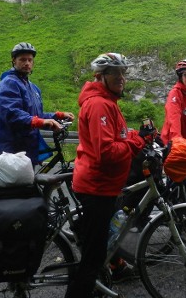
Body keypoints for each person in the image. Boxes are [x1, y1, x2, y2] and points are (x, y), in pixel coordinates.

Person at [65, 53, 155, 298]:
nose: (121, 78)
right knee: (93, 259)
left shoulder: (107, 101)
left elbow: (117, 136)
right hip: (96, 186)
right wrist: (137, 142)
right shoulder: (98, 105)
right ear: (100, 76)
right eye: (115, 73)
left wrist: (135, 134)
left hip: (103, 185)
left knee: (101, 241)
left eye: (123, 73)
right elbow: (106, 152)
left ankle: (107, 272)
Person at [0, 42, 74, 165]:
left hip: (27, 147)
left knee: (31, 183)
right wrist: (39, 121)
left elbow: (35, 115)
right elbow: (12, 114)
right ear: (14, 61)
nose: (27, 63)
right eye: (22, 59)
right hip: (10, 149)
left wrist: (57, 116)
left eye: (30, 60)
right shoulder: (9, 83)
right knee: (19, 184)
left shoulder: (33, 88)